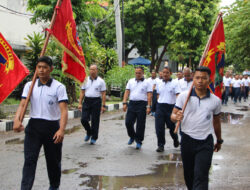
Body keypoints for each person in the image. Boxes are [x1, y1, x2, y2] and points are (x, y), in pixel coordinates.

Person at [13, 56, 68, 190]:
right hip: (34, 127)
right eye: (39, 67)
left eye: (44, 67)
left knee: (53, 161)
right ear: (36, 69)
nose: (41, 70)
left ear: (51, 69)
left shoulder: (59, 87)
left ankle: (54, 186)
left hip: (52, 128)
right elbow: (22, 104)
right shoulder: (29, 85)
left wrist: (61, 129)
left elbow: (64, 111)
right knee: (29, 160)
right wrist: (16, 119)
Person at [171, 66, 223, 190]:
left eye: (204, 78)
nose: (200, 81)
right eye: (197, 78)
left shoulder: (215, 101)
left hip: (205, 142)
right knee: (189, 175)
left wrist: (219, 140)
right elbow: (172, 116)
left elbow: (216, 121)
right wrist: (176, 117)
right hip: (187, 140)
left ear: (209, 81)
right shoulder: (183, 97)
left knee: (201, 175)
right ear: (193, 79)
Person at [123, 66, 152, 149]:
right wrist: (124, 102)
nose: (138, 74)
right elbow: (127, 92)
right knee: (128, 122)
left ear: (143, 73)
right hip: (132, 103)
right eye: (136, 73)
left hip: (142, 104)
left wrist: (148, 106)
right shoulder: (131, 81)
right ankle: (132, 136)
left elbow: (149, 95)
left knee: (140, 124)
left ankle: (139, 141)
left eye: (139, 73)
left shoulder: (147, 82)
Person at [78, 64, 106, 145]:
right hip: (87, 101)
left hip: (96, 101)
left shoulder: (101, 81)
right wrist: (80, 103)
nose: (92, 71)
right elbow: (82, 92)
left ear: (97, 70)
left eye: (94, 69)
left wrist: (103, 106)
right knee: (83, 119)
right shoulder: (85, 80)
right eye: (90, 69)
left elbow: (103, 94)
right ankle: (89, 132)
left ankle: (94, 137)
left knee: (95, 120)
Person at [155, 66, 181, 152]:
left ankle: (175, 139)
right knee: (159, 127)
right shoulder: (159, 83)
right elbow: (158, 94)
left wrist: (178, 108)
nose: (165, 74)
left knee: (171, 127)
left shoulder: (175, 83)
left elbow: (178, 95)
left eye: (167, 72)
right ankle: (161, 145)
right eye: (163, 72)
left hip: (170, 107)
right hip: (160, 107)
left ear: (170, 73)